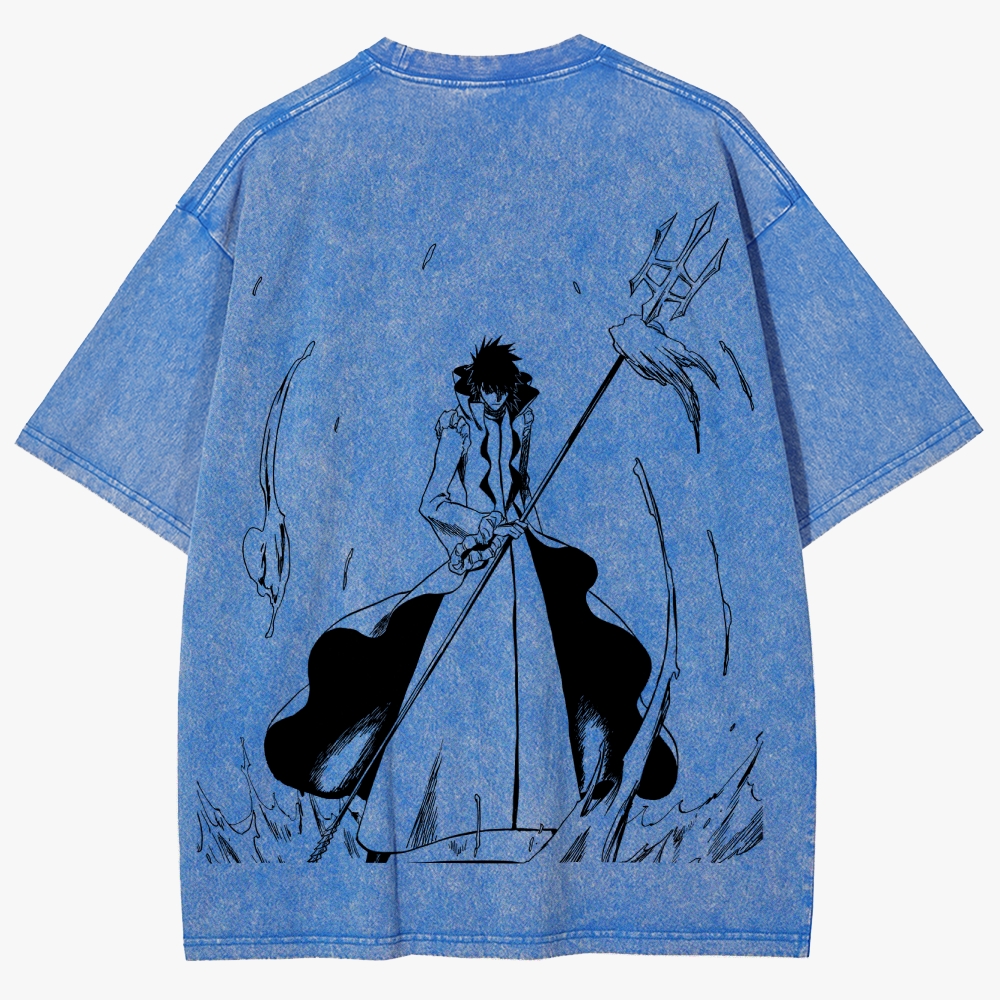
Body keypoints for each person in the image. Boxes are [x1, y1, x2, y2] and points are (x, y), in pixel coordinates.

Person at [264, 338, 677, 862]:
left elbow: (522, 496)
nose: (497, 399)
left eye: (504, 389)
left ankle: (529, 817)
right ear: (476, 388)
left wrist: (526, 528)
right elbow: (433, 502)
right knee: (448, 684)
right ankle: (423, 821)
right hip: (478, 562)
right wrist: (479, 528)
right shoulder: (456, 430)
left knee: (534, 681)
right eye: (488, 390)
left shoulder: (520, 425)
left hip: (520, 565)